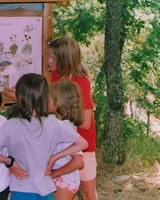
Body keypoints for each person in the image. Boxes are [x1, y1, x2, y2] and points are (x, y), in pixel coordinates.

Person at [0, 73, 88, 200]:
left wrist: (10, 162)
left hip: (22, 189)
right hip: (47, 190)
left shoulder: (11, 125)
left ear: (20, 98)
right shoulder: (53, 122)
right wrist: (54, 158)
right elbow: (83, 144)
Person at [48, 37, 98, 200]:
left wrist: (59, 116)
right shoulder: (52, 76)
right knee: (68, 189)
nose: (48, 60)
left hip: (83, 146)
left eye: (52, 58)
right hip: (61, 145)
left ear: (63, 60)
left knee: (88, 192)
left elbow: (86, 122)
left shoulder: (81, 81)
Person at [48, 81, 85, 200]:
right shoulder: (59, 123)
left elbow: (78, 162)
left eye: (49, 97)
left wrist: (54, 173)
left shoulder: (65, 128)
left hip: (63, 181)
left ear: (59, 103)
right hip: (64, 180)